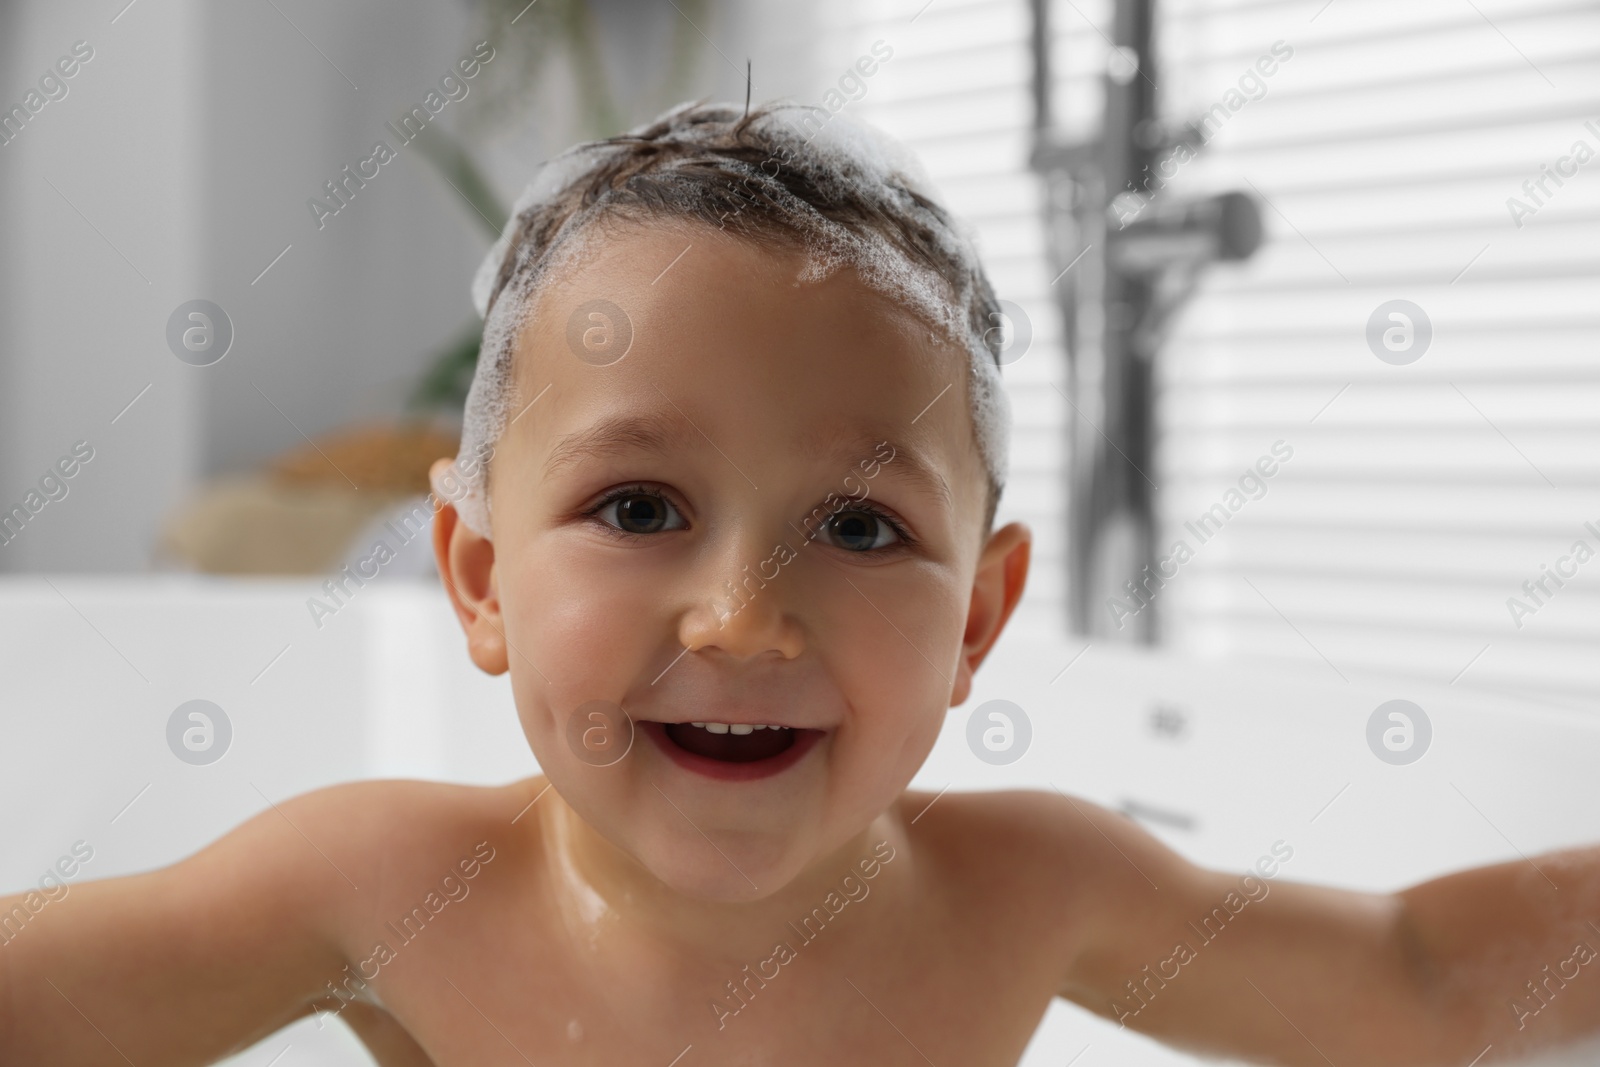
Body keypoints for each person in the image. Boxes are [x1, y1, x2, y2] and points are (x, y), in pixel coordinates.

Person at [3, 101, 1597, 1067]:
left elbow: (1420, 984)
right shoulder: (383, 891)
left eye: (856, 527)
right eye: (639, 505)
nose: (743, 619)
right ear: (478, 581)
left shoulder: (1026, 895)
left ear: (978, 618)